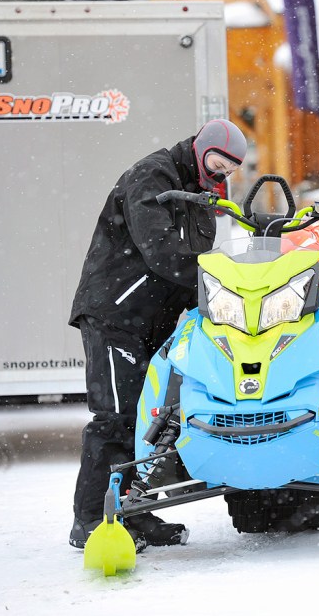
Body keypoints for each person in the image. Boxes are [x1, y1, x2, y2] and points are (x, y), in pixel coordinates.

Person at [68, 119, 247, 549]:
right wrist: (218, 280)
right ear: (201, 149)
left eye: (227, 171)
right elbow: (162, 251)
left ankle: (135, 512)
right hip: (115, 315)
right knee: (116, 419)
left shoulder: (203, 196)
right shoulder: (152, 175)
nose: (219, 175)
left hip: (153, 323)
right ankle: (91, 520)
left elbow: (199, 256)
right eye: (216, 164)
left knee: (150, 420)